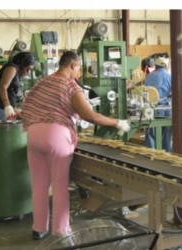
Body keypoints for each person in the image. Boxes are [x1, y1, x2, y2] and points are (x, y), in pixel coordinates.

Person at [21, 50, 130, 240]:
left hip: (33, 136)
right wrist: (117, 122)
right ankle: (61, 231)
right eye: (78, 68)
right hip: (55, 136)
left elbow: (26, 107)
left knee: (39, 185)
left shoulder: (42, 83)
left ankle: (39, 228)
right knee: (60, 184)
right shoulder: (70, 87)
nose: (78, 74)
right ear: (72, 65)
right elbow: (90, 115)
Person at [0, 51, 35, 120]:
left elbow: (12, 105)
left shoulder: (16, 73)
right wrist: (7, 105)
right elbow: (3, 87)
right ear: (23, 64)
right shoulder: (12, 68)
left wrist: (24, 119)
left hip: (1, 108)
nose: (27, 73)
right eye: (28, 69)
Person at [144, 56, 172, 152]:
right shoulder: (169, 76)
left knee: (151, 131)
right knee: (166, 133)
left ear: (155, 65)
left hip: (152, 108)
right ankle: (166, 153)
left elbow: (145, 90)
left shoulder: (150, 76)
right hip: (166, 108)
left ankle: (151, 153)